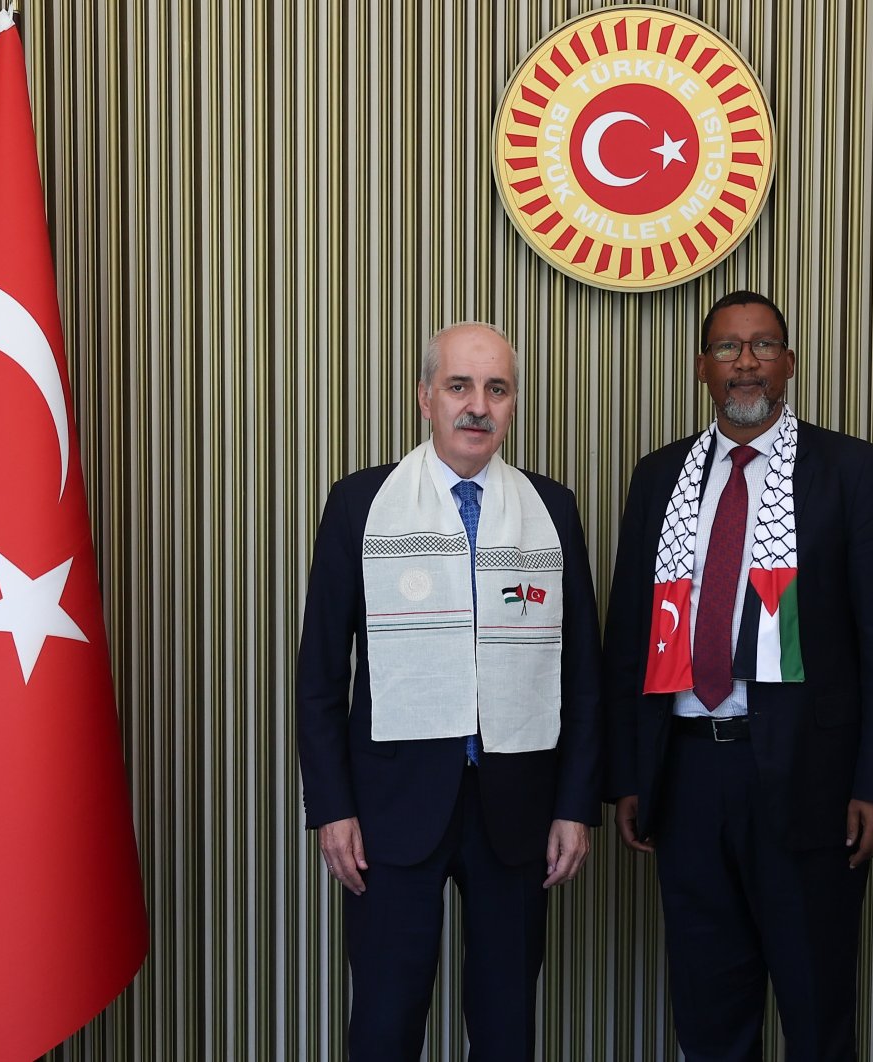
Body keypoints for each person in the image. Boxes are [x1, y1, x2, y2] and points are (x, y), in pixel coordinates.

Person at [603, 291, 873, 1061]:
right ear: (701, 369)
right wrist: (628, 775)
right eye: (727, 348)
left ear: (789, 363)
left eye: (762, 345)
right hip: (687, 776)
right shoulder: (659, 478)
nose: (745, 362)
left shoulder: (850, 471)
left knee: (815, 1010)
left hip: (811, 783)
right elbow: (629, 635)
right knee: (710, 1013)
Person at [296, 322, 601, 1060]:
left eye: (496, 389)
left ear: (514, 404)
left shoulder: (551, 512)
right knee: (384, 1022)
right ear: (425, 397)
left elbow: (584, 676)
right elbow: (319, 675)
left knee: (504, 1030)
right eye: (460, 386)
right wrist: (332, 808)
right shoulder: (360, 504)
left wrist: (573, 807)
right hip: (390, 808)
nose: (477, 406)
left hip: (516, 808)